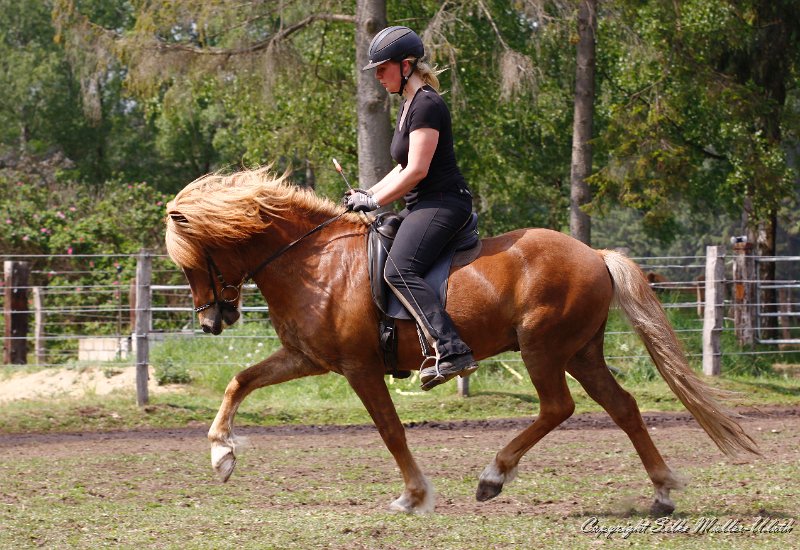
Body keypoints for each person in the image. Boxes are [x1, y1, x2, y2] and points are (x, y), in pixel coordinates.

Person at [346, 26, 478, 391]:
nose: (378, 76)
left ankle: (451, 349)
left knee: (399, 270)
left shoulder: (427, 104)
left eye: (382, 68)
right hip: (423, 204)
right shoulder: (408, 105)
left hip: (444, 203)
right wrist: (367, 193)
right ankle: (398, 346)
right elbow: (403, 166)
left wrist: (375, 201)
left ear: (405, 66)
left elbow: (418, 170)